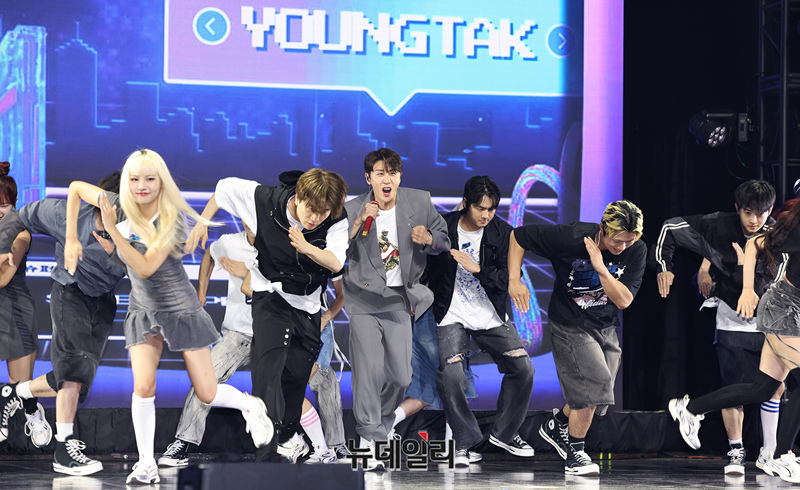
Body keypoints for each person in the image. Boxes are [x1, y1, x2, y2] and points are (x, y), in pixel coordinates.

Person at [65, 149, 272, 484]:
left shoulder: (170, 219)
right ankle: (146, 462)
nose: (141, 186)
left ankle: (250, 406)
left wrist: (114, 233)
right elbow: (75, 188)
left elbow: (147, 267)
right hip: (143, 308)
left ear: (162, 182)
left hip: (179, 308)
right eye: (135, 179)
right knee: (143, 386)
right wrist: (71, 239)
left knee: (207, 391)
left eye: (150, 179)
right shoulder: (117, 204)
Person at [185, 168, 349, 463]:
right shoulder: (264, 200)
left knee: (295, 383)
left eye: (323, 213)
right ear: (299, 197)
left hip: (308, 307)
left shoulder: (336, 218)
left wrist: (306, 247)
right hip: (269, 296)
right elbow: (223, 187)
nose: (316, 218)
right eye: (311, 209)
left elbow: (336, 263)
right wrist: (201, 224)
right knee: (268, 374)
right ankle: (266, 457)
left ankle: (287, 437)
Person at [649, 180, 782, 474]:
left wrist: (738, 269)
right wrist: (664, 267)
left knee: (774, 387)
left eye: (761, 213)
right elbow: (670, 228)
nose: (754, 220)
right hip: (732, 321)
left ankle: (769, 452)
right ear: (737, 209)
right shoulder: (719, 225)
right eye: (748, 212)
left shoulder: (776, 235)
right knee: (733, 388)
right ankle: (735, 450)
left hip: (769, 323)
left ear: (771, 210)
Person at [0, 172, 127, 475]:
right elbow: (19, 216)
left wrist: (119, 251)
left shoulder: (133, 231)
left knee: (78, 380)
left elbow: (146, 266)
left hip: (103, 301)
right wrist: (3, 244)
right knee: (72, 370)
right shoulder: (64, 215)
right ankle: (64, 449)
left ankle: (16, 393)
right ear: (102, 203)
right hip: (70, 291)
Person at [669, 196, 800, 484]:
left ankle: (690, 409)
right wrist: (748, 288)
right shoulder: (795, 228)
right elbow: (753, 245)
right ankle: (782, 456)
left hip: (792, 311)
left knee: (763, 388)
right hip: (783, 310)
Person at [509, 200, 646, 475]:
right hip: (570, 323)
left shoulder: (637, 250)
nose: (622, 247)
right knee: (594, 387)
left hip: (605, 325)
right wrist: (514, 279)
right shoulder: (570, 237)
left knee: (601, 396)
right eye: (617, 240)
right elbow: (518, 236)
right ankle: (575, 454)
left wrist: (601, 268)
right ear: (603, 228)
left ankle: (558, 423)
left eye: (629, 241)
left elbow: (624, 300)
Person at [343, 147, 448, 470]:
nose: (386, 180)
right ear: (369, 179)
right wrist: (358, 223)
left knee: (402, 375)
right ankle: (371, 436)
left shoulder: (419, 201)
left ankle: (382, 423)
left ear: (399, 177)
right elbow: (337, 250)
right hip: (363, 300)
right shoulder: (353, 209)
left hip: (400, 300)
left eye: (392, 173)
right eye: (380, 174)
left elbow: (444, 239)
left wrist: (429, 238)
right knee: (368, 372)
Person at [428, 176, 534, 467]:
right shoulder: (444, 226)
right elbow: (426, 265)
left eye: (491, 209)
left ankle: (505, 434)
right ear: (466, 203)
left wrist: (478, 269)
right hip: (451, 313)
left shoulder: (505, 234)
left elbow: (506, 279)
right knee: (451, 375)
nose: (486, 215)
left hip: (490, 314)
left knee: (523, 368)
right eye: (480, 208)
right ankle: (464, 441)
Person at [157, 222, 260, 466]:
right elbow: (209, 255)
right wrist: (201, 292)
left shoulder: (281, 244)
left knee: (304, 382)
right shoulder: (230, 243)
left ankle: (311, 444)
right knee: (205, 379)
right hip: (239, 333)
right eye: (244, 214)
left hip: (275, 333)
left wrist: (249, 273)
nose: (249, 220)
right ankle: (183, 442)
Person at [0, 162, 43, 449]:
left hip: (13, 312)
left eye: (3, 206)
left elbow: (3, 279)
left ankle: (34, 416)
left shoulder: (21, 234)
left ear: (14, 204)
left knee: (21, 387)